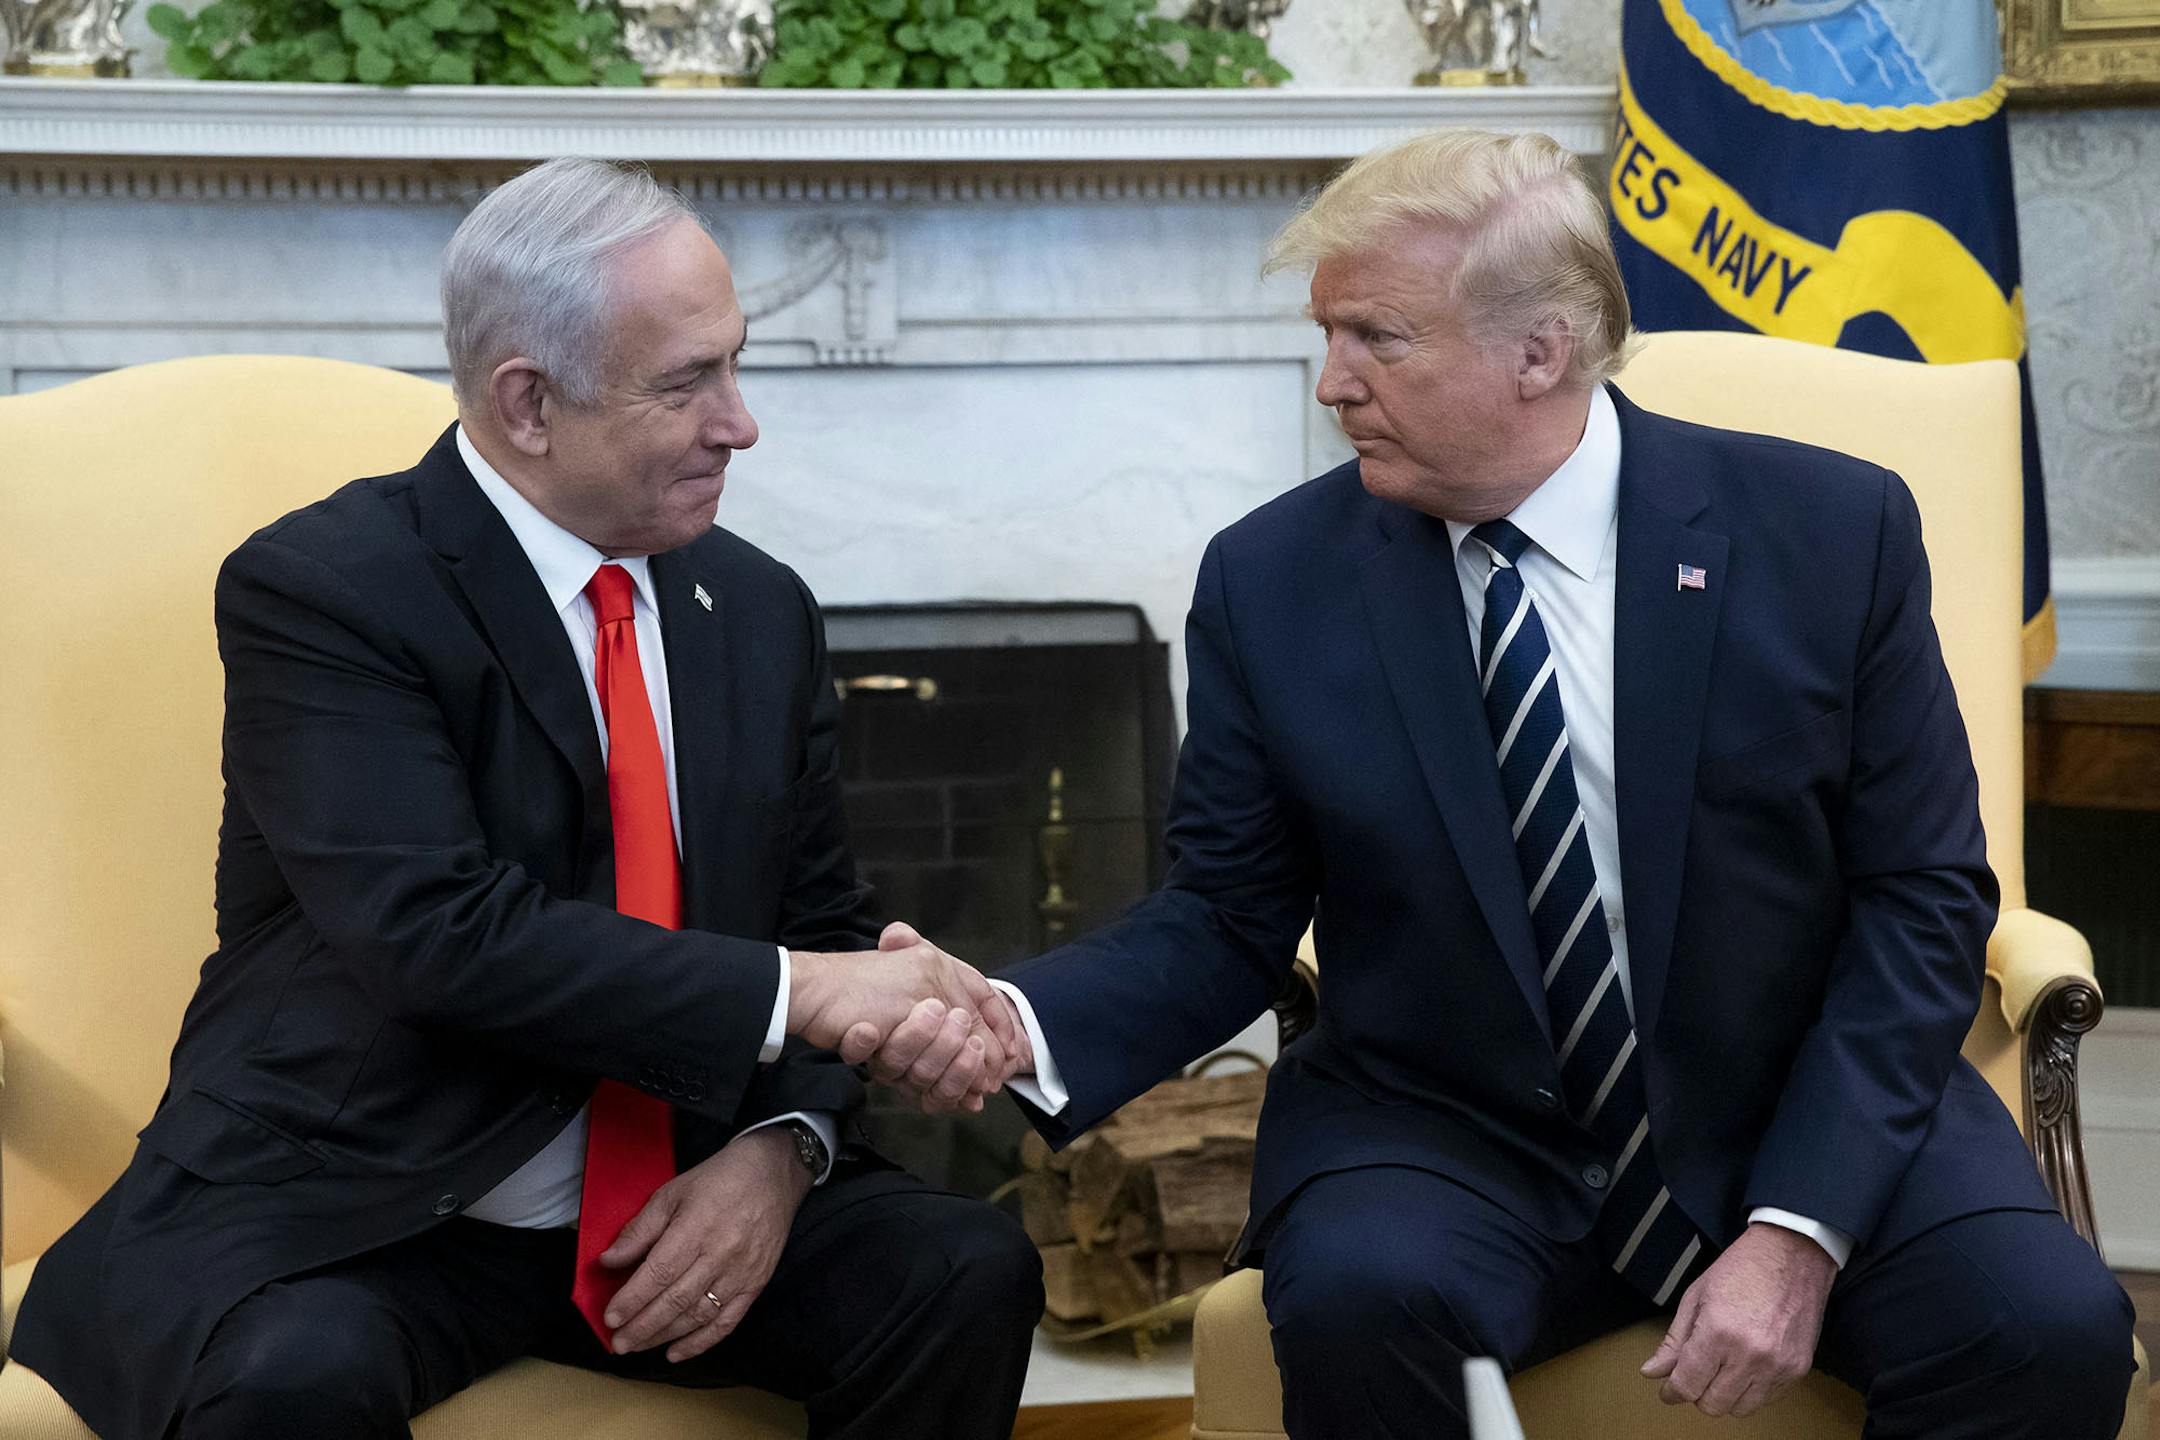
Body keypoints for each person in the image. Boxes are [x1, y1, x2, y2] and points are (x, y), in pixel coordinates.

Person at [867, 129, 2138, 1437]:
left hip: (1792, 1097)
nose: (1332, 383)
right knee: (1363, 1300)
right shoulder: (1275, 580)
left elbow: (1922, 894)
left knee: (2043, 1331)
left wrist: (1800, 1223)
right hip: (1450, 1129)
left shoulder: (1827, 534)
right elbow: (1228, 912)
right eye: (1327, 335)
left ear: (1543, 351)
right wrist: (1019, 1023)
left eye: (1377, 339)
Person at [10, 157, 1041, 1440]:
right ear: (528, 403)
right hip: (371, 1203)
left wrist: (781, 1154)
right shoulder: (328, 589)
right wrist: (809, 992)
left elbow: (822, 921)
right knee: (293, 1374)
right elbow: (436, 934)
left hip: (667, 1201)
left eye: (736, 364)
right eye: (687, 383)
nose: (740, 423)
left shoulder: (758, 608)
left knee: (962, 1271)